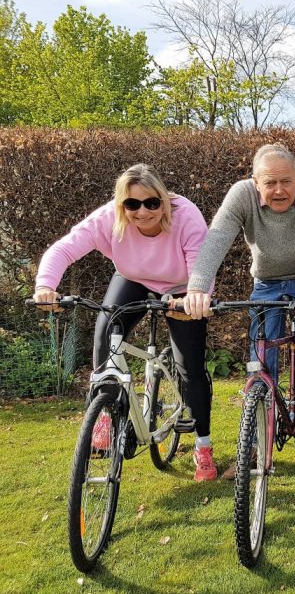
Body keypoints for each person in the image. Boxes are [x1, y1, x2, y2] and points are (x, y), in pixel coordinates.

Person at [33, 163, 217, 481]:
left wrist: (195, 298)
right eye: (132, 204)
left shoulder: (186, 215)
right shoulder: (109, 217)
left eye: (151, 203)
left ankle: (203, 445)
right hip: (133, 278)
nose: (142, 212)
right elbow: (65, 248)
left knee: (189, 366)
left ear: (164, 200)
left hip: (183, 286)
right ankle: (105, 416)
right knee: (106, 334)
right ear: (122, 204)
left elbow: (202, 266)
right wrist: (45, 286)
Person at [183, 144, 295, 472]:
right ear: (255, 182)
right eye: (270, 183)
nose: (279, 190)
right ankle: (254, 447)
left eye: (286, 181)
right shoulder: (241, 195)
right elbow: (216, 240)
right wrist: (197, 288)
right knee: (260, 364)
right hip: (266, 284)